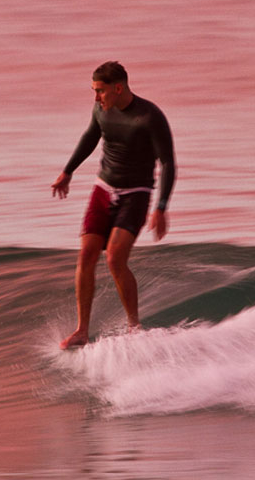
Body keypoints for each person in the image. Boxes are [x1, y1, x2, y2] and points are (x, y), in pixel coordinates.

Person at [52, 61, 176, 349]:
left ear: (118, 88)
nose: (96, 98)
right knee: (86, 254)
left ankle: (135, 328)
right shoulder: (100, 110)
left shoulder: (149, 116)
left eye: (101, 91)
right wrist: (67, 171)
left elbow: (167, 162)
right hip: (104, 188)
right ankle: (82, 330)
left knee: (114, 259)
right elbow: (90, 136)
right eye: (94, 91)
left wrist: (161, 207)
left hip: (136, 192)